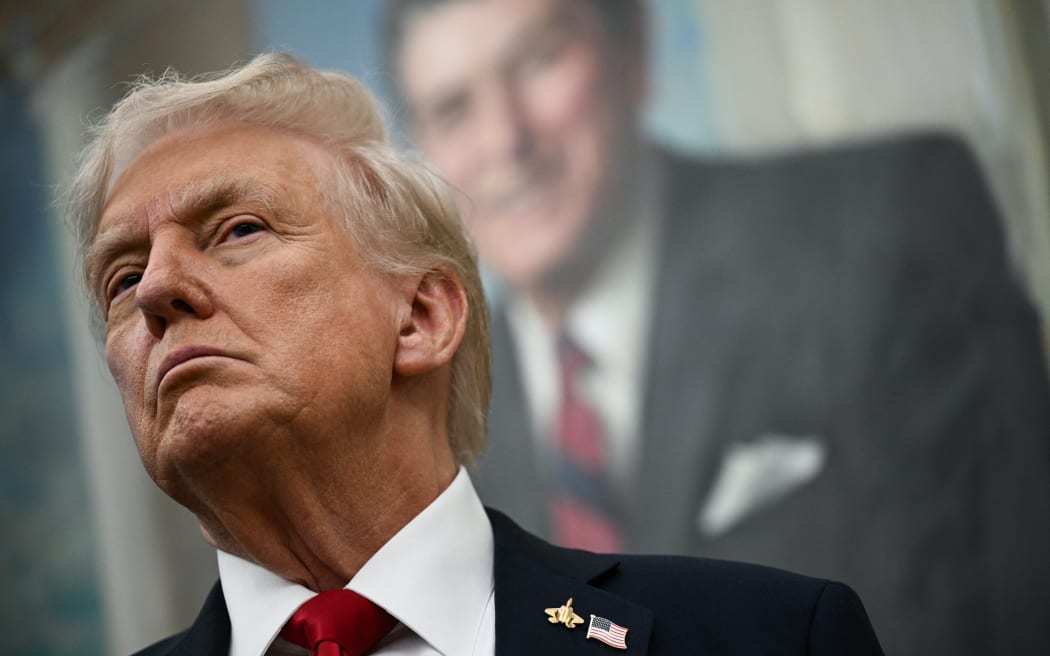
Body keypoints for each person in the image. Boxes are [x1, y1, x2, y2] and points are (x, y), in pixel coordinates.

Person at [66, 53, 883, 655]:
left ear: (421, 316)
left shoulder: (773, 638)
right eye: (121, 277)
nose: (157, 290)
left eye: (238, 230)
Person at [382, 0, 1050, 653]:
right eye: (453, 110)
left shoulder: (890, 227)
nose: (505, 140)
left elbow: (1008, 590)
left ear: (634, 51)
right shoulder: (439, 424)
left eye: (539, 61)